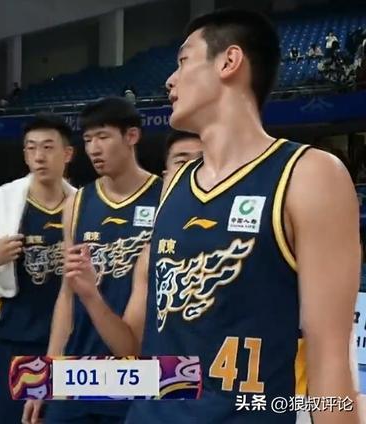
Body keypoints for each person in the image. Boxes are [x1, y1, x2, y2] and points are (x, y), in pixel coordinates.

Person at [65, 9, 360, 423]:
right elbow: (133, 344)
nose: (170, 80)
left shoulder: (309, 175)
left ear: (229, 62)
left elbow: (329, 359)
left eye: (183, 61)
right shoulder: (173, 186)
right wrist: (91, 298)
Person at [24, 98, 163, 424]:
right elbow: (67, 293)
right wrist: (47, 372)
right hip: (79, 369)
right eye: (87, 140)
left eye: (103, 137)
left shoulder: (165, 197)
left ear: (131, 136)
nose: (94, 149)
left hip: (139, 373)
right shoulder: (77, 203)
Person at [0, 114, 74, 423]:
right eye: (31, 148)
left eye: (48, 147)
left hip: (67, 347)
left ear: (67, 154)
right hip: (10, 344)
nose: (39, 156)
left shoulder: (83, 206)